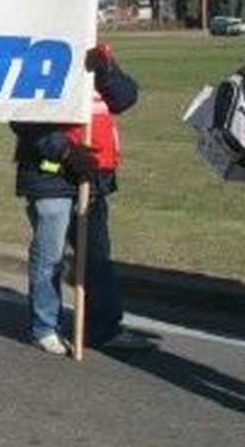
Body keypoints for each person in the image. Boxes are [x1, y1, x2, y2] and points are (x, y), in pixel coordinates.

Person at [11, 45, 157, 356]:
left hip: (93, 176)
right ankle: (45, 327)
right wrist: (64, 150)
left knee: (97, 255)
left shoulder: (95, 51)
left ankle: (103, 328)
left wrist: (106, 69)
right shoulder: (41, 54)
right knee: (50, 253)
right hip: (51, 175)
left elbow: (125, 97)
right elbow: (22, 118)